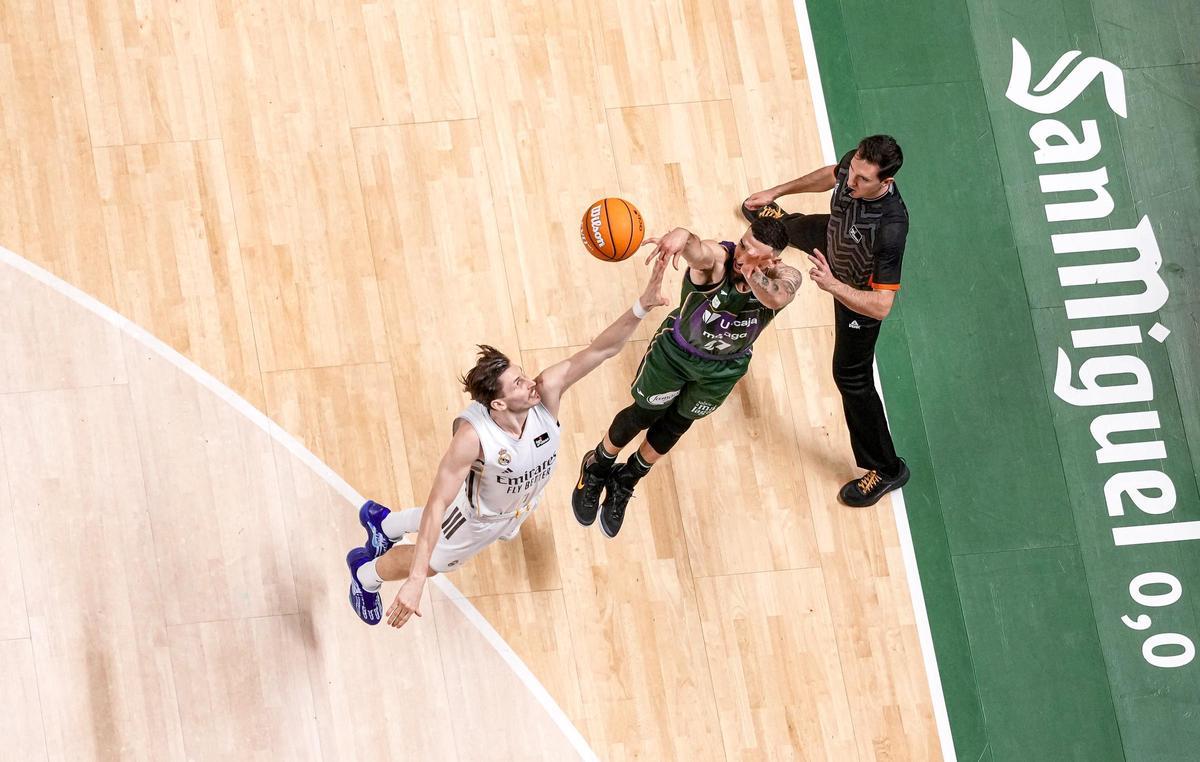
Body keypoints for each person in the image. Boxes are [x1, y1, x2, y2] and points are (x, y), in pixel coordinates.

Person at [346, 256, 670, 627]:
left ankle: (383, 525)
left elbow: (600, 350)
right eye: (518, 384)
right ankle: (365, 574)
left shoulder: (546, 391)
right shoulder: (473, 438)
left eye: (522, 374)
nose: (530, 382)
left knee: (447, 526)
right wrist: (416, 580)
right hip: (476, 521)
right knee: (434, 562)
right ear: (497, 403)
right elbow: (438, 505)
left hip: (518, 505)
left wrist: (642, 304)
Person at [572, 216, 801, 538]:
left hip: (724, 369)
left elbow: (778, 296)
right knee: (644, 413)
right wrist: (683, 235)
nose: (742, 252)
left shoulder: (784, 276)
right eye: (744, 241)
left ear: (772, 260)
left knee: (678, 422)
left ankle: (630, 476)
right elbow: (699, 251)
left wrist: (754, 275)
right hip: (676, 355)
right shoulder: (718, 264)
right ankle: (598, 463)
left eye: (752, 251)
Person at [742, 134, 910, 507]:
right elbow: (829, 175)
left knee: (850, 377)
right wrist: (776, 192)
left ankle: (887, 469)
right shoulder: (856, 168)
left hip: (853, 293)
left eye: (862, 180)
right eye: (852, 173)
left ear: (886, 183)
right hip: (831, 236)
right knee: (789, 228)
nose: (851, 183)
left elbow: (882, 305)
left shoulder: (890, 228)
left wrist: (833, 285)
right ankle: (780, 222)